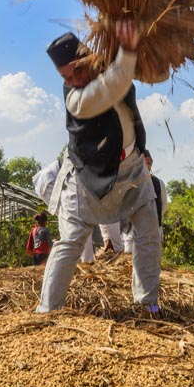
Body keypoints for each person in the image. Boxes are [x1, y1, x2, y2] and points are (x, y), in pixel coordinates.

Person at [36, 22, 161, 313]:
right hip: (88, 178)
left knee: (148, 233)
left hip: (131, 169)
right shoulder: (77, 99)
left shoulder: (107, 66)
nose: (74, 80)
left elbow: (129, 76)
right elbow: (114, 85)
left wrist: (128, 38)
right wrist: (128, 51)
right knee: (71, 240)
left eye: (77, 70)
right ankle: (48, 310)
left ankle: (147, 305)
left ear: (90, 58)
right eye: (66, 76)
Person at [123, 152, 168, 254]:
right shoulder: (128, 183)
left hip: (152, 232)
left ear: (150, 164)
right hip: (131, 232)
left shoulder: (159, 183)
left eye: (146, 163)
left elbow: (163, 206)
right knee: (128, 260)